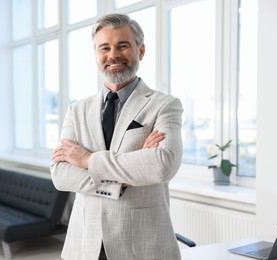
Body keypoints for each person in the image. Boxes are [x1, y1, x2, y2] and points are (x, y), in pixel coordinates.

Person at [51, 13, 183, 260]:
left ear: (140, 50)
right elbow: (61, 175)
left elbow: (163, 164)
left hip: (142, 246)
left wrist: (87, 161)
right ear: (96, 54)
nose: (113, 55)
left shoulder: (164, 105)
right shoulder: (76, 110)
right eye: (105, 47)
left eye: (123, 45)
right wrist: (125, 176)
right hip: (85, 245)